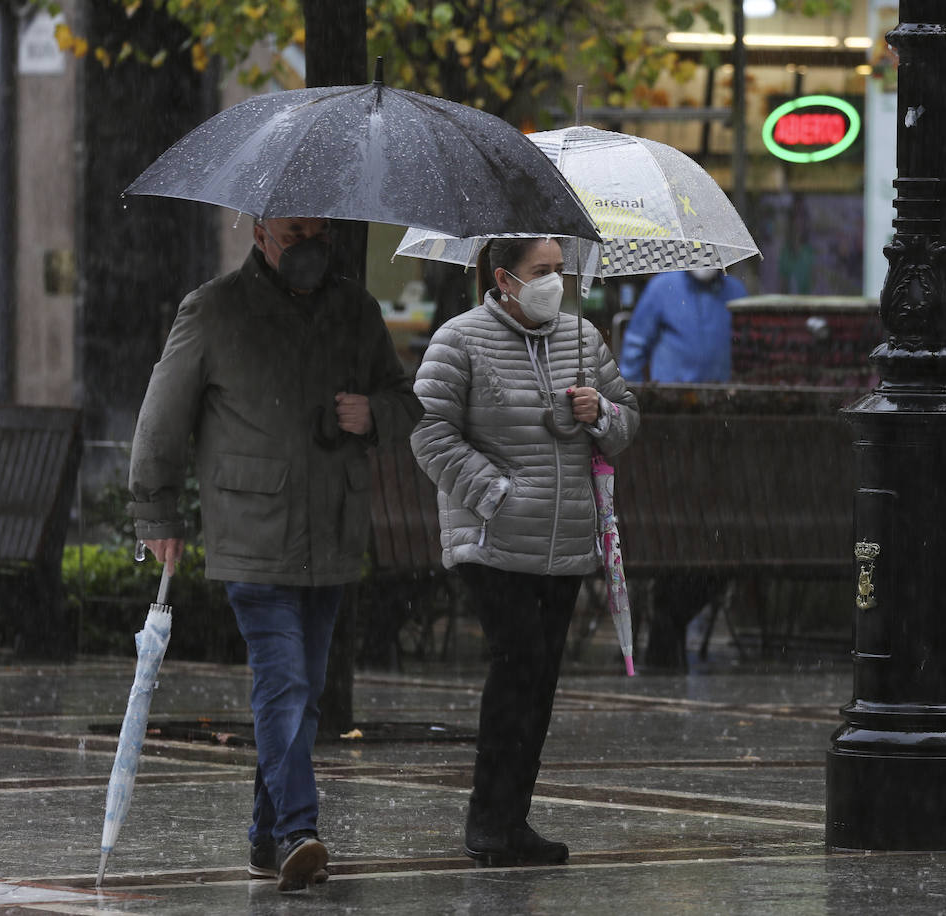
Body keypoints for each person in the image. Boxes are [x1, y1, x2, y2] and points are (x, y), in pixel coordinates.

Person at [127, 216, 421, 893]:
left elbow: (407, 405)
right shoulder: (212, 308)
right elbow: (161, 417)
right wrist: (156, 514)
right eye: (294, 232)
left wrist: (371, 412)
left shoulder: (356, 308)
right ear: (260, 232)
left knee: (305, 695)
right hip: (253, 532)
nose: (309, 243)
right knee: (284, 683)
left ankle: (266, 835)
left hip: (334, 531)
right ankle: (299, 829)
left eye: (319, 230)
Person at [411, 237, 638, 867]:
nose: (554, 284)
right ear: (504, 278)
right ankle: (489, 820)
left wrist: (600, 414)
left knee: (539, 680)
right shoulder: (460, 339)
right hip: (492, 539)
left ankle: (512, 821)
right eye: (541, 272)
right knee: (518, 664)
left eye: (559, 272)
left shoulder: (582, 338)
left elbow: (627, 422)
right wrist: (494, 494)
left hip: (564, 542)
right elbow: (430, 433)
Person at [616, 268, 748, 383]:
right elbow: (635, 345)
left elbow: (746, 349)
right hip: (671, 397)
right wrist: (634, 396)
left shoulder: (736, 291)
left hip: (720, 398)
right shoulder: (662, 287)